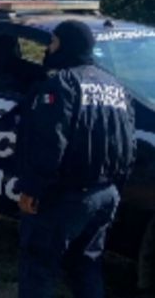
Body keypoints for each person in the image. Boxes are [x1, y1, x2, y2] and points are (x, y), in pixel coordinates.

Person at [15, 20, 136, 298]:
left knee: (39, 267)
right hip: (106, 195)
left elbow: (50, 143)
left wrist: (33, 189)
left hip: (65, 197)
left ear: (67, 45)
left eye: (54, 42)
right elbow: (128, 145)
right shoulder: (116, 87)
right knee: (86, 265)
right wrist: (117, 187)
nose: (49, 48)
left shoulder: (61, 85)